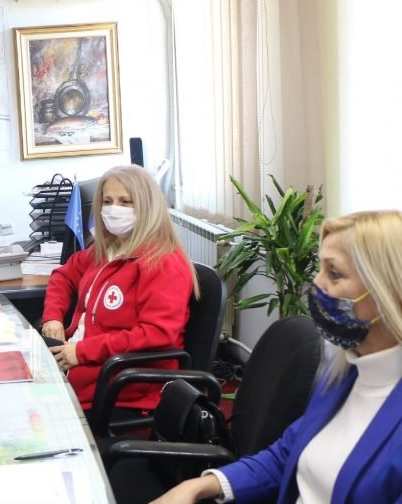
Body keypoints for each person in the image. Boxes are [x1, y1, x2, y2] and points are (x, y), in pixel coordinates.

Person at [154, 210, 402, 504]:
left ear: (388, 290)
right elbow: (288, 454)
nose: (317, 284)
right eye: (320, 268)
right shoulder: (344, 371)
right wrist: (198, 486)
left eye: (334, 273)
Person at [41, 165, 197, 410]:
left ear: (147, 206)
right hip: (79, 362)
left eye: (125, 202)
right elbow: (63, 276)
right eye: (108, 201)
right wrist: (53, 316)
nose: (114, 209)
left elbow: (157, 333)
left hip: (118, 380)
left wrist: (81, 352)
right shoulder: (107, 249)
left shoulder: (163, 262)